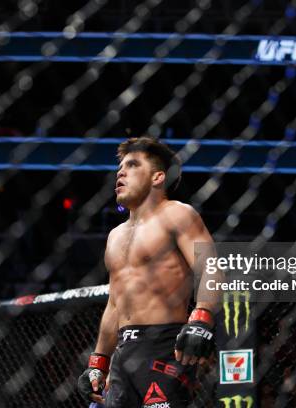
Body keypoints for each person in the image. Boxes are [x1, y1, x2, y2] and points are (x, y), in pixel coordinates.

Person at [77, 137, 218, 407]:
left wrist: (201, 319)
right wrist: (98, 362)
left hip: (165, 346)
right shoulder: (115, 236)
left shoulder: (177, 214)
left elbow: (210, 267)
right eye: (120, 167)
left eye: (131, 165)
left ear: (157, 177)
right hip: (123, 351)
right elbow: (114, 304)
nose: (121, 172)